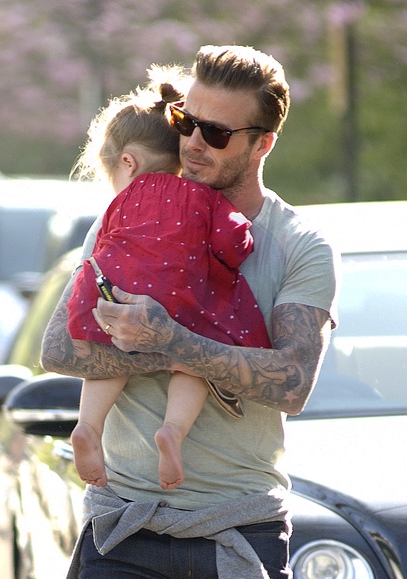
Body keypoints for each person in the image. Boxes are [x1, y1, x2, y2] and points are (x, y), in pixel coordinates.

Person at [41, 45, 339, 579]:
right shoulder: (127, 218)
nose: (193, 143)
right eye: (186, 121)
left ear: (263, 144)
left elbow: (293, 384)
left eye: (217, 133)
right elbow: (59, 350)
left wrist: (173, 341)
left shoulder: (300, 245)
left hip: (239, 529)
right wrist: (178, 348)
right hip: (123, 524)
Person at [66, 68, 271, 492]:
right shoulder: (202, 197)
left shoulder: (119, 202)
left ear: (128, 162)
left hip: (114, 295)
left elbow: (104, 247)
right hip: (180, 296)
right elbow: (234, 241)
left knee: (108, 346)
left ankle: (88, 425)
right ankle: (173, 431)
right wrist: (238, 250)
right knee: (197, 357)